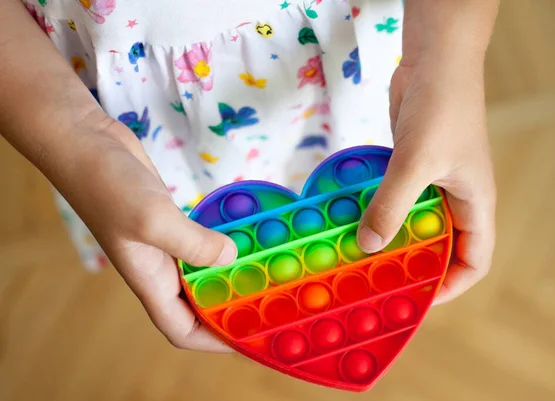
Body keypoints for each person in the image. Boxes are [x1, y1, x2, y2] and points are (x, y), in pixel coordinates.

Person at [0, 0, 497, 352]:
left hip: (355, 63)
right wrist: (77, 140)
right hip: (130, 113)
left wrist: (445, 59)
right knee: (175, 228)